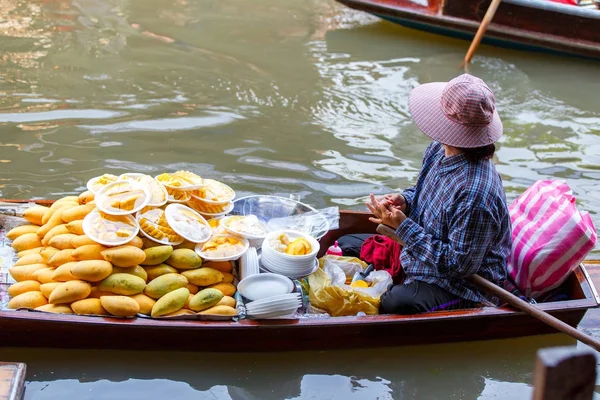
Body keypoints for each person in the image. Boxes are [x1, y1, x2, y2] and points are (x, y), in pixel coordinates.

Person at [364, 73, 512, 315]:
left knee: (393, 304)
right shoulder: (437, 149)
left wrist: (404, 228)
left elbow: (458, 266)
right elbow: (422, 192)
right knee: (349, 245)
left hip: (463, 286)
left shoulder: (475, 194)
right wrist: (405, 200)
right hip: (422, 252)